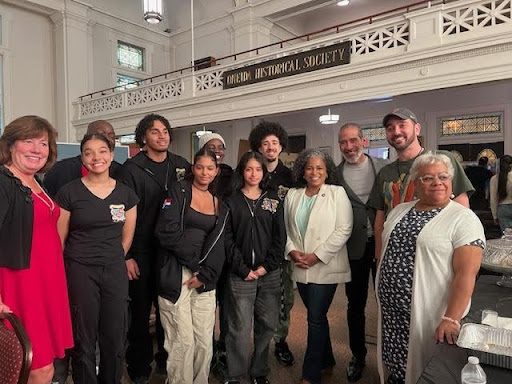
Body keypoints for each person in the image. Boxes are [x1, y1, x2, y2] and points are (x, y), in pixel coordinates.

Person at [376, 152, 485, 384]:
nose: (437, 182)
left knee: (425, 371)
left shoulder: (463, 219)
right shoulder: (399, 210)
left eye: (443, 177)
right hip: (393, 314)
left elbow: (466, 273)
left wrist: (452, 318)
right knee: (397, 365)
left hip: (430, 315)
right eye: (428, 178)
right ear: (416, 183)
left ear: (451, 181)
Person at [56, 133, 138, 384]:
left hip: (113, 270)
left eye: (102, 151)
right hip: (79, 270)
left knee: (114, 336)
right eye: (89, 152)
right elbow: (60, 239)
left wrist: (111, 259)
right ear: (82, 157)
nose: (96, 157)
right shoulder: (69, 192)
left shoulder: (126, 194)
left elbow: (126, 238)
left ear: (112, 155)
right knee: (84, 337)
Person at [0, 116, 73, 384]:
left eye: (43, 143)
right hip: (19, 284)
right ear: (10, 146)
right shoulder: (4, 182)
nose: (36, 149)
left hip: (45, 283)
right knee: (37, 368)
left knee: (43, 367)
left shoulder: (34, 181)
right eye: (28, 141)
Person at [119, 113, 190, 384]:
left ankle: (165, 359)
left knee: (168, 310)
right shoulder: (131, 169)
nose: (161, 136)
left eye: (165, 131)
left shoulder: (181, 165)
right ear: (143, 137)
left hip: (171, 252)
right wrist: (127, 256)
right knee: (139, 313)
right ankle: (139, 367)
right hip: (141, 252)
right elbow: (124, 216)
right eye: (154, 132)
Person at [155, 148, 229, 384]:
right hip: (176, 273)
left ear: (217, 171)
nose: (204, 172)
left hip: (205, 278)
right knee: (182, 342)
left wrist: (205, 274)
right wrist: (194, 266)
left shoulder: (220, 204)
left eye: (210, 168)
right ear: (192, 169)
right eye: (199, 167)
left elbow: (219, 245)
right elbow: (166, 232)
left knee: (204, 342)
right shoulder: (178, 191)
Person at [284, 148, 353, 384]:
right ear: (302, 171)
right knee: (318, 317)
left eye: (319, 168)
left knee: (314, 318)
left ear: (327, 172)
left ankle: (310, 374)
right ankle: (327, 360)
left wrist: (317, 256)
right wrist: (292, 251)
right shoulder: (293, 195)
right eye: (309, 167)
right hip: (299, 265)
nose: (314, 172)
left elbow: (344, 229)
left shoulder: (337, 193)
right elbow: (285, 229)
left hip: (325, 266)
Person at [367, 108, 474, 259]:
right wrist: (379, 256)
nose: (396, 131)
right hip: (396, 254)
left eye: (402, 125)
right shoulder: (385, 172)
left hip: (435, 251)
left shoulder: (442, 160)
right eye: (390, 128)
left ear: (417, 129)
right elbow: (380, 219)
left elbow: (462, 207)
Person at [224, 151, 285, 384]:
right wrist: (243, 268)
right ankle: (235, 374)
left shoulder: (273, 200)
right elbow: (227, 239)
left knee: (267, 324)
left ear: (263, 172)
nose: (253, 174)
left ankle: (259, 371)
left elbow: (280, 238)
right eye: (249, 169)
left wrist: (265, 267)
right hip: (240, 274)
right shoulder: (231, 201)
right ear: (242, 171)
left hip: (269, 274)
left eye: (258, 169)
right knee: (238, 328)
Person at [334, 123, 388, 382]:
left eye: (353, 140)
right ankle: (358, 354)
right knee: (355, 305)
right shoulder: (335, 174)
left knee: (388, 301)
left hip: (383, 244)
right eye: (343, 142)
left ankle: (391, 354)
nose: (348, 147)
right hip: (353, 247)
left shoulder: (383, 168)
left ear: (364, 141)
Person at [248, 120, 295, 366]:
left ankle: (281, 340)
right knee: (255, 300)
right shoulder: (250, 172)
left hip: (282, 248)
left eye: (274, 143)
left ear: (281, 146)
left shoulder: (291, 176)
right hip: (254, 247)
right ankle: (257, 344)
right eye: (265, 144)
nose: (270, 147)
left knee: (284, 298)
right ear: (258, 146)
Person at [196, 132, 233, 377]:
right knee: (206, 308)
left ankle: (225, 352)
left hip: (228, 247)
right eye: (211, 146)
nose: (217, 150)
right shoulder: (197, 177)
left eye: (220, 146)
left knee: (228, 307)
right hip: (204, 251)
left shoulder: (232, 174)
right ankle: (207, 353)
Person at [44, 120, 122, 199]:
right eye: (101, 135)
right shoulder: (60, 169)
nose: (108, 139)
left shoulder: (121, 171)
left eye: (111, 136)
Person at [490, 154, 512, 233]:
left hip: (502, 209)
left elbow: (493, 199)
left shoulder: (494, 179)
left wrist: (494, 216)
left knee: (507, 238)